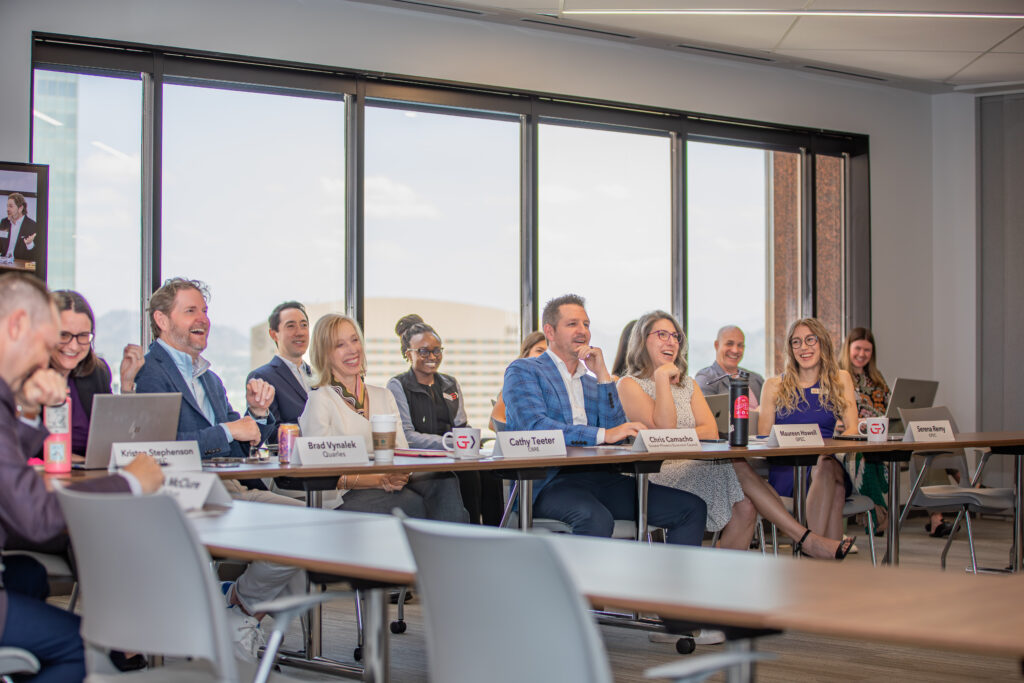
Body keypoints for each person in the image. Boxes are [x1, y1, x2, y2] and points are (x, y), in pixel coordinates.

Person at [0, 272, 164, 682]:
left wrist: (24, 411)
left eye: (81, 337)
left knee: (28, 576)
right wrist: (128, 482)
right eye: (48, 341)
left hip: (34, 516)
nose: (51, 355)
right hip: (42, 509)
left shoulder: (86, 375)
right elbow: (34, 517)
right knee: (77, 649)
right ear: (19, 326)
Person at [133, 278, 303, 654]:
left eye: (205, 311)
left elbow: (241, 447)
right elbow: (159, 449)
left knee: (305, 523)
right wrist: (228, 429)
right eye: (191, 310)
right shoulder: (150, 372)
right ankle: (237, 615)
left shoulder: (209, 377)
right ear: (162, 319)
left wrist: (257, 415)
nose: (204, 319)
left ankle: (239, 605)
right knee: (295, 527)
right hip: (181, 498)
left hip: (229, 490)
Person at [618, 311, 851, 559]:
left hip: (695, 464)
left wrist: (679, 435)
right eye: (662, 335)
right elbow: (664, 434)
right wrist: (662, 379)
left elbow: (709, 430)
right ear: (643, 340)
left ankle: (728, 582)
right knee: (737, 465)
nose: (670, 342)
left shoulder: (688, 384)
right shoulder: (628, 384)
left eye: (675, 336)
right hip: (657, 473)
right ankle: (806, 539)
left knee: (746, 505)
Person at [502, 294, 706, 545]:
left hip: (601, 477)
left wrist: (603, 376)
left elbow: (616, 431)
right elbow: (535, 427)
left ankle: (671, 584)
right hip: (548, 482)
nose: (582, 331)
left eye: (586, 325)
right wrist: (603, 435)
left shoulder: (592, 382)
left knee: (692, 508)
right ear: (550, 331)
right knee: (596, 518)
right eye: (572, 324)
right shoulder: (524, 370)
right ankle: (581, 586)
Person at [299, 313, 468, 522]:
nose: (352, 349)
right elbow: (320, 473)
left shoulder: (382, 395)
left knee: (445, 479)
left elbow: (402, 452)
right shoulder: (320, 400)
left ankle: (452, 548)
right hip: (343, 495)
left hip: (387, 483)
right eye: (340, 345)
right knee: (414, 506)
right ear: (324, 353)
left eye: (354, 340)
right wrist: (378, 479)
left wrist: (398, 475)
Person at [387, 314, 501, 525]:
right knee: (468, 475)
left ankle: (496, 535)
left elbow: (461, 425)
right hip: (420, 460)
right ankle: (471, 533)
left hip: (453, 455)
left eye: (437, 350)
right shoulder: (397, 385)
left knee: (491, 473)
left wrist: (467, 441)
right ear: (407, 354)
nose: (432, 356)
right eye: (423, 351)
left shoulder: (450, 383)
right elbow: (407, 437)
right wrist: (450, 444)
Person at [759, 318, 860, 543]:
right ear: (790, 349)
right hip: (788, 469)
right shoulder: (774, 386)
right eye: (796, 342)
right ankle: (823, 553)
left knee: (824, 466)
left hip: (827, 462)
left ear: (822, 342)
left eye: (810, 340)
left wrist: (834, 444)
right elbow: (764, 440)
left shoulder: (840, 379)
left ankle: (810, 545)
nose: (804, 347)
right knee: (836, 491)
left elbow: (852, 428)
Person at [247, 301, 313, 429]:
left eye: (304, 325)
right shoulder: (262, 377)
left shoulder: (320, 377)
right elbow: (270, 433)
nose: (300, 332)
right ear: (273, 334)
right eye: (291, 326)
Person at [694, 325, 765, 407]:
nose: (735, 350)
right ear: (717, 345)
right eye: (729, 344)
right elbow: (706, 415)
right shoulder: (706, 379)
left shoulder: (757, 379)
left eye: (740, 345)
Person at [490, 330, 546, 429]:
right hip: (521, 441)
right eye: (539, 350)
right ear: (526, 353)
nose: (544, 356)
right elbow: (495, 421)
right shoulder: (516, 382)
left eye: (548, 353)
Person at [0, 193, 37, 263]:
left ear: (20, 208)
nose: (7, 209)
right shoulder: (4, 222)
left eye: (11, 206)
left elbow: (35, 255)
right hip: (3, 264)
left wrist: (29, 244)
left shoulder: (32, 225)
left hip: (20, 266)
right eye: (7, 206)